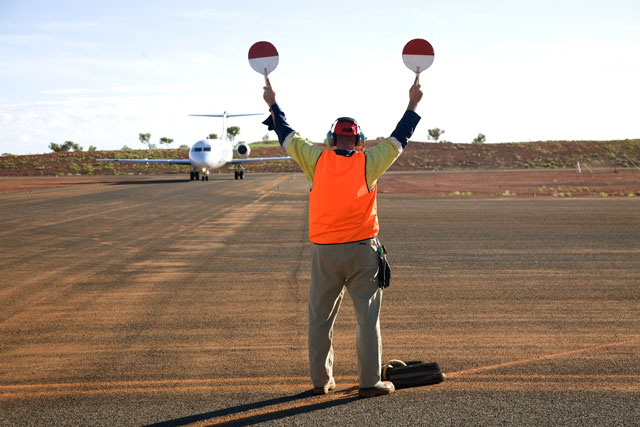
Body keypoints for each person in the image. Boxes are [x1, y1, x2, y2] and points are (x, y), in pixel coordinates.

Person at [262, 76, 423, 398]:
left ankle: (321, 382)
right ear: (360, 140)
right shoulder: (369, 161)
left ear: (330, 139)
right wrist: (413, 103)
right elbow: (399, 138)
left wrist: (272, 103)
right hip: (363, 252)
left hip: (324, 253)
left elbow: (286, 135)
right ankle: (369, 382)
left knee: (319, 319)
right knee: (367, 320)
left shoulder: (316, 158)